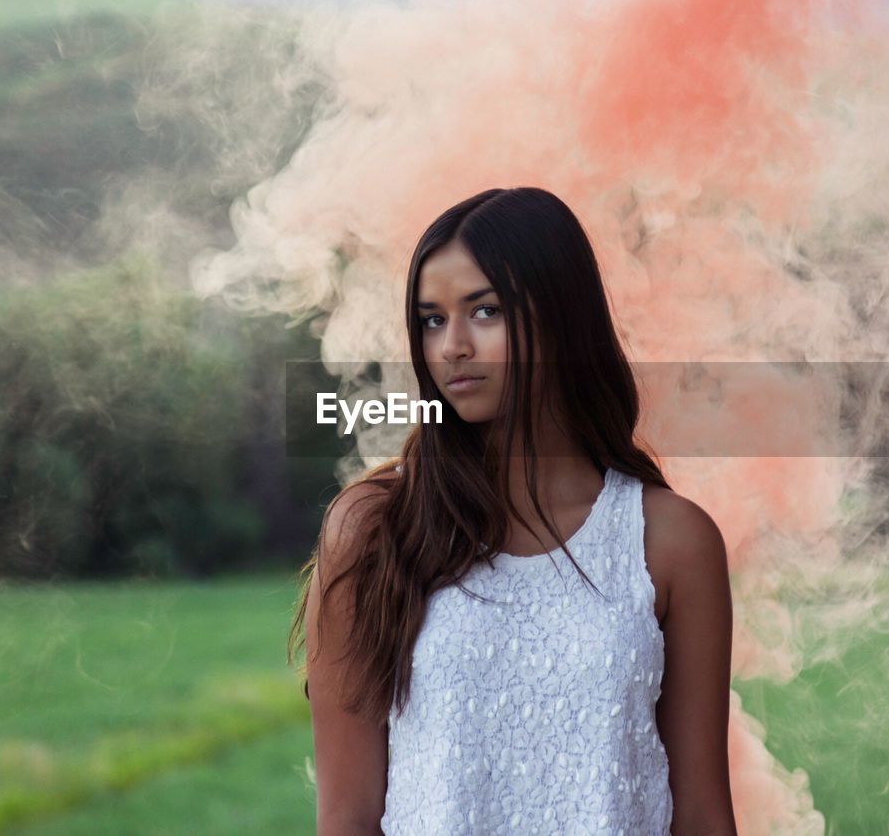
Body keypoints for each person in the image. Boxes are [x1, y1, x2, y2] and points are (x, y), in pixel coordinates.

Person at [287, 187, 737, 835]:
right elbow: (347, 818)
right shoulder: (374, 527)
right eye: (433, 320)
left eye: (486, 311)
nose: (453, 347)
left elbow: (701, 813)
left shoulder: (670, 540)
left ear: (561, 316)